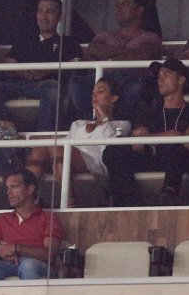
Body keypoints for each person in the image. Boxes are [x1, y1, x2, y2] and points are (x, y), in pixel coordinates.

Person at [102, 58, 189, 207]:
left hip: (177, 160)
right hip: (154, 157)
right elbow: (137, 141)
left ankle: (167, 196)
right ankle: (130, 204)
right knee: (112, 152)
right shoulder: (150, 113)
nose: (160, 80)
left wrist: (151, 138)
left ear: (181, 80)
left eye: (166, 75)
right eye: (159, 76)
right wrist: (171, 135)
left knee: (178, 150)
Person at [25, 77, 131, 207]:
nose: (94, 95)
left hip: (96, 165)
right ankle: (25, 199)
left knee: (55, 147)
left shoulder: (122, 124)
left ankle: (69, 202)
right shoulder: (78, 124)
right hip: (68, 159)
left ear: (114, 98)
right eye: (93, 92)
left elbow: (113, 146)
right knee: (40, 147)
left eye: (100, 91)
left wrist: (104, 117)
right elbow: (62, 145)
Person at [0, 0, 83, 131]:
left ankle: (44, 139)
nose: (43, 17)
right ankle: (5, 134)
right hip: (19, 84)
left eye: (50, 12)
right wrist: (21, 71)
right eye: (40, 11)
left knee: (52, 89)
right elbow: (8, 64)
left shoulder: (68, 43)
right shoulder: (24, 41)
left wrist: (49, 71)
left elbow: (77, 67)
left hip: (49, 85)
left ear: (59, 17)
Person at [68, 0, 163, 121]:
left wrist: (108, 56)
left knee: (137, 87)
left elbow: (144, 55)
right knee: (75, 85)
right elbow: (92, 50)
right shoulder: (104, 35)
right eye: (117, 5)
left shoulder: (150, 37)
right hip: (103, 80)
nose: (119, 8)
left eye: (125, 4)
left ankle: (113, 122)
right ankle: (96, 122)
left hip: (131, 80)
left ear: (139, 10)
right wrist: (127, 53)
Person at [0, 169, 64, 280]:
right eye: (7, 188)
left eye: (14, 187)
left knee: (28, 265)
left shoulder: (48, 218)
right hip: (10, 264)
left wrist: (16, 248)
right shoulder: (3, 219)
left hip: (40, 265)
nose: (8, 192)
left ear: (30, 189)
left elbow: (48, 254)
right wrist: (3, 248)